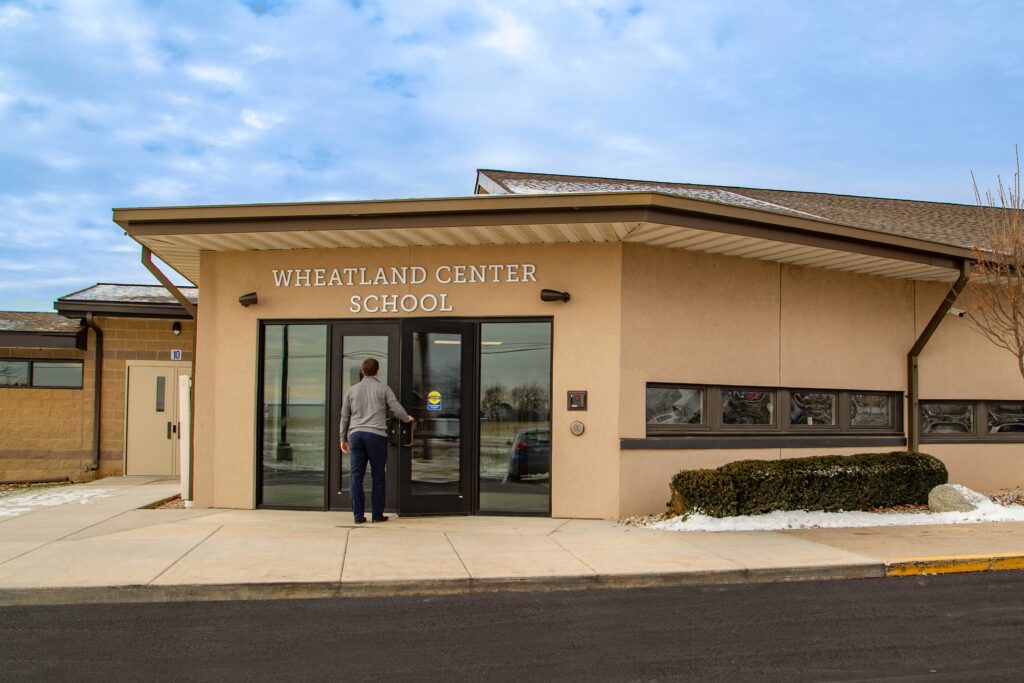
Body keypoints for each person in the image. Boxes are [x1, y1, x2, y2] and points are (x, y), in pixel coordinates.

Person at [340, 357, 413, 523]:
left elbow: (344, 417)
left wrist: (342, 438)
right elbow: (395, 408)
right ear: (377, 371)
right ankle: (377, 515)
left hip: (356, 435)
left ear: (362, 371)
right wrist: (407, 419)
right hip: (376, 436)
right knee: (378, 476)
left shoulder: (351, 391)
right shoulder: (383, 389)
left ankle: (358, 516)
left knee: (356, 476)